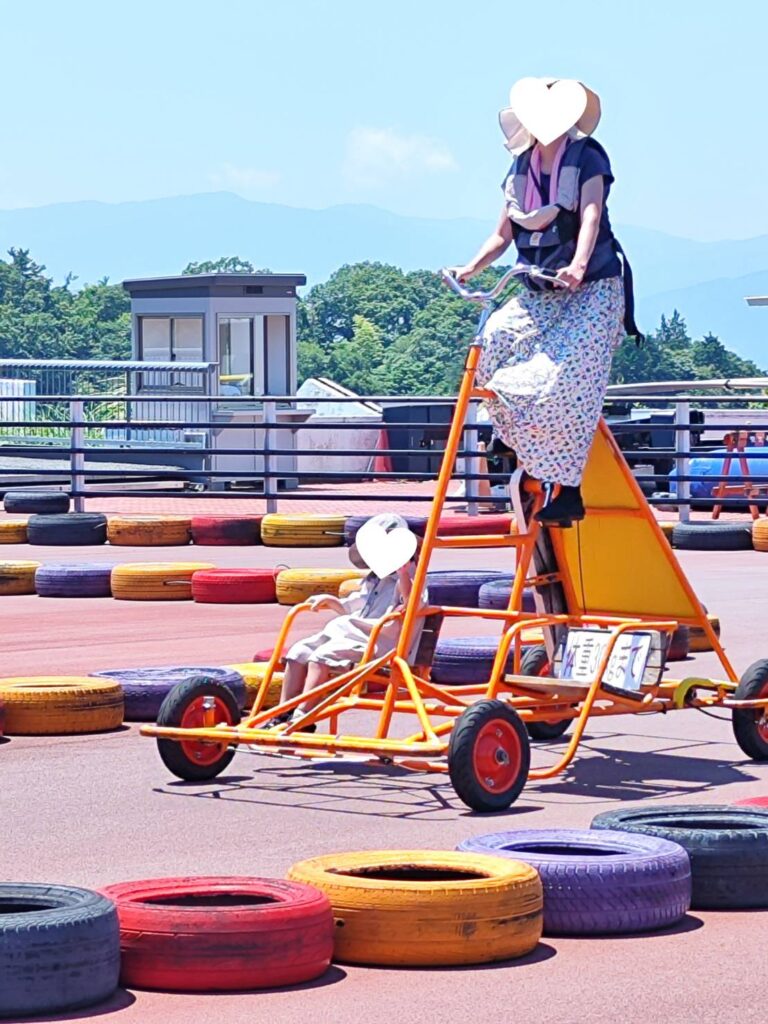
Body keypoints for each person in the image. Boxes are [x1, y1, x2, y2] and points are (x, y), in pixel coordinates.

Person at [452, 77, 642, 527]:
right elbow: (502, 234)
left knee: (564, 380)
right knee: (495, 338)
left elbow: (592, 214)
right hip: (538, 289)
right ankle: (508, 435)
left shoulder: (587, 156)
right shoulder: (520, 166)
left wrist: (577, 266)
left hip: (590, 289)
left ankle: (568, 488)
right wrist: (470, 267)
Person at [267, 513, 424, 729]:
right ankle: (283, 711)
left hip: (381, 644)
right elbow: (355, 604)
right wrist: (331, 601)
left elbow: (412, 604)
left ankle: (302, 716)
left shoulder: (414, 579)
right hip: (354, 635)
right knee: (299, 652)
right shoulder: (374, 579)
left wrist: (404, 573)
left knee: (322, 657)